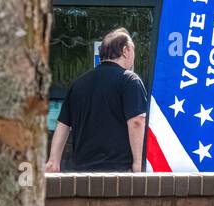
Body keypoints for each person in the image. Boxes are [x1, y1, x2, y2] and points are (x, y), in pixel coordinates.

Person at [44, 28, 146, 173]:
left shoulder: (78, 84)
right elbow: (137, 122)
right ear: (125, 51)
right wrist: (137, 164)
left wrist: (53, 161)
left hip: (81, 171)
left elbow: (63, 125)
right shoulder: (129, 80)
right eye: (133, 49)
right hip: (119, 172)